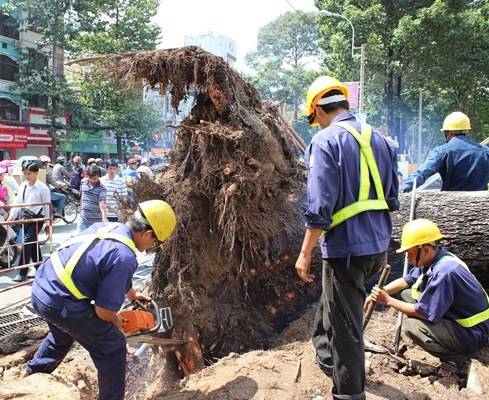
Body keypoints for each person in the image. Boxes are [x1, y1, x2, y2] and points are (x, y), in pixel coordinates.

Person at [295, 76, 399, 400]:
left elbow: (319, 207)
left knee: (346, 329)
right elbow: (393, 200)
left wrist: (305, 252)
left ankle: (348, 393)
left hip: (346, 250)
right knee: (333, 305)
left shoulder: (325, 141)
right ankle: (328, 360)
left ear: (317, 110)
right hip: (377, 245)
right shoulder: (379, 139)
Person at [21, 200, 177, 400]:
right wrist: (117, 322)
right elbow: (103, 312)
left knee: (63, 333)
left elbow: (107, 266)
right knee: (112, 345)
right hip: (59, 300)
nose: (150, 247)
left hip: (42, 288)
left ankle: (31, 373)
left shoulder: (109, 228)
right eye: (154, 242)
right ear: (148, 234)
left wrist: (132, 294)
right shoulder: (124, 257)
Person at [368, 219, 489, 377]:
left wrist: (388, 301)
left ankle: (454, 356)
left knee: (412, 326)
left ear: (424, 249)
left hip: (474, 333)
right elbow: (407, 280)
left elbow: (423, 312)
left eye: (409, 252)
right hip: (460, 319)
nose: (407, 258)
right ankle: (441, 336)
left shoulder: (444, 273)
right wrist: (380, 292)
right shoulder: (436, 258)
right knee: (406, 294)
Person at [401, 111, 489, 192]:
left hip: (450, 205)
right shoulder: (485, 152)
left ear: (449, 132)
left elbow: (421, 173)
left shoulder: (442, 151)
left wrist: (401, 191)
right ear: (466, 131)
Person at [8, 162, 51, 282]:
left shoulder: (43, 188)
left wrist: (48, 224)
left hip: (38, 219)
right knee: (33, 245)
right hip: (26, 218)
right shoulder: (23, 186)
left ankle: (22, 272)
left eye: (29, 173)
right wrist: (12, 215)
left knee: (27, 243)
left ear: (36, 173)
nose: (27, 176)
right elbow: (18, 202)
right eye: (25, 174)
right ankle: (41, 269)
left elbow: (47, 206)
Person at [77, 165, 108, 234]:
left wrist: (104, 217)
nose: (92, 180)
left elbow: (102, 203)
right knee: (79, 240)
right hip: (83, 219)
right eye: (91, 178)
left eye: (95, 178)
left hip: (96, 222)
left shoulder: (102, 188)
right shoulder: (83, 182)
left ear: (99, 176)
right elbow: (82, 196)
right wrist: (81, 208)